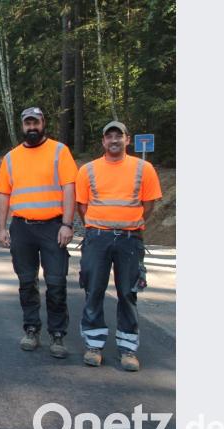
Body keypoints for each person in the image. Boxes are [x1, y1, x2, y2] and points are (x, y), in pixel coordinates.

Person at [76, 121, 162, 371]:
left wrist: (130, 223)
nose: (113, 140)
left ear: (127, 139)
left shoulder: (143, 169)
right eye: (109, 137)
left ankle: (128, 349)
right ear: (103, 142)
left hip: (129, 240)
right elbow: (82, 206)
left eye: (118, 136)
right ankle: (93, 345)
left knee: (128, 292)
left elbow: (149, 204)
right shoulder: (88, 170)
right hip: (97, 238)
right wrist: (98, 226)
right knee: (94, 290)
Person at [0, 107, 78, 358]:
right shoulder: (11, 157)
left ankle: (58, 334)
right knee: (26, 282)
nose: (32, 127)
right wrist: (1, 228)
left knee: (56, 282)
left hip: (53, 227)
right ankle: (31, 329)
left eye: (36, 122)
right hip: (22, 228)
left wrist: (67, 223)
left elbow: (69, 189)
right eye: (27, 123)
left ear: (43, 123)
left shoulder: (59, 151)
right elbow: (3, 194)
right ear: (22, 126)